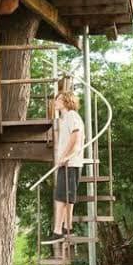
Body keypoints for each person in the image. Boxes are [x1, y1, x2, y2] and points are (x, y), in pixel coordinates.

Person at [44, 91, 85, 243]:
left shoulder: (72, 116)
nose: (55, 101)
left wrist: (66, 157)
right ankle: (67, 228)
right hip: (67, 163)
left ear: (67, 101)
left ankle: (57, 230)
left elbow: (77, 140)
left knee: (61, 197)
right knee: (66, 198)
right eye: (56, 99)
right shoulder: (65, 118)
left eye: (59, 99)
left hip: (70, 164)